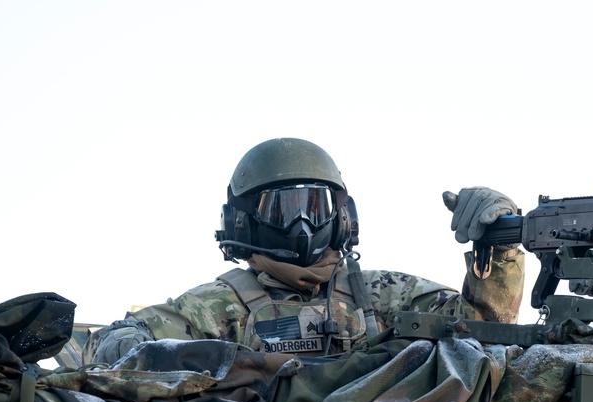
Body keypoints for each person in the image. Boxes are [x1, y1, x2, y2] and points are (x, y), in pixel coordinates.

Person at [83, 138, 525, 364]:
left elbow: (485, 331)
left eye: (316, 207)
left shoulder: (384, 294)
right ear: (245, 219)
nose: (302, 223)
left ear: (342, 216)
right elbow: (110, 344)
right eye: (282, 208)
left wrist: (500, 248)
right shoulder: (219, 306)